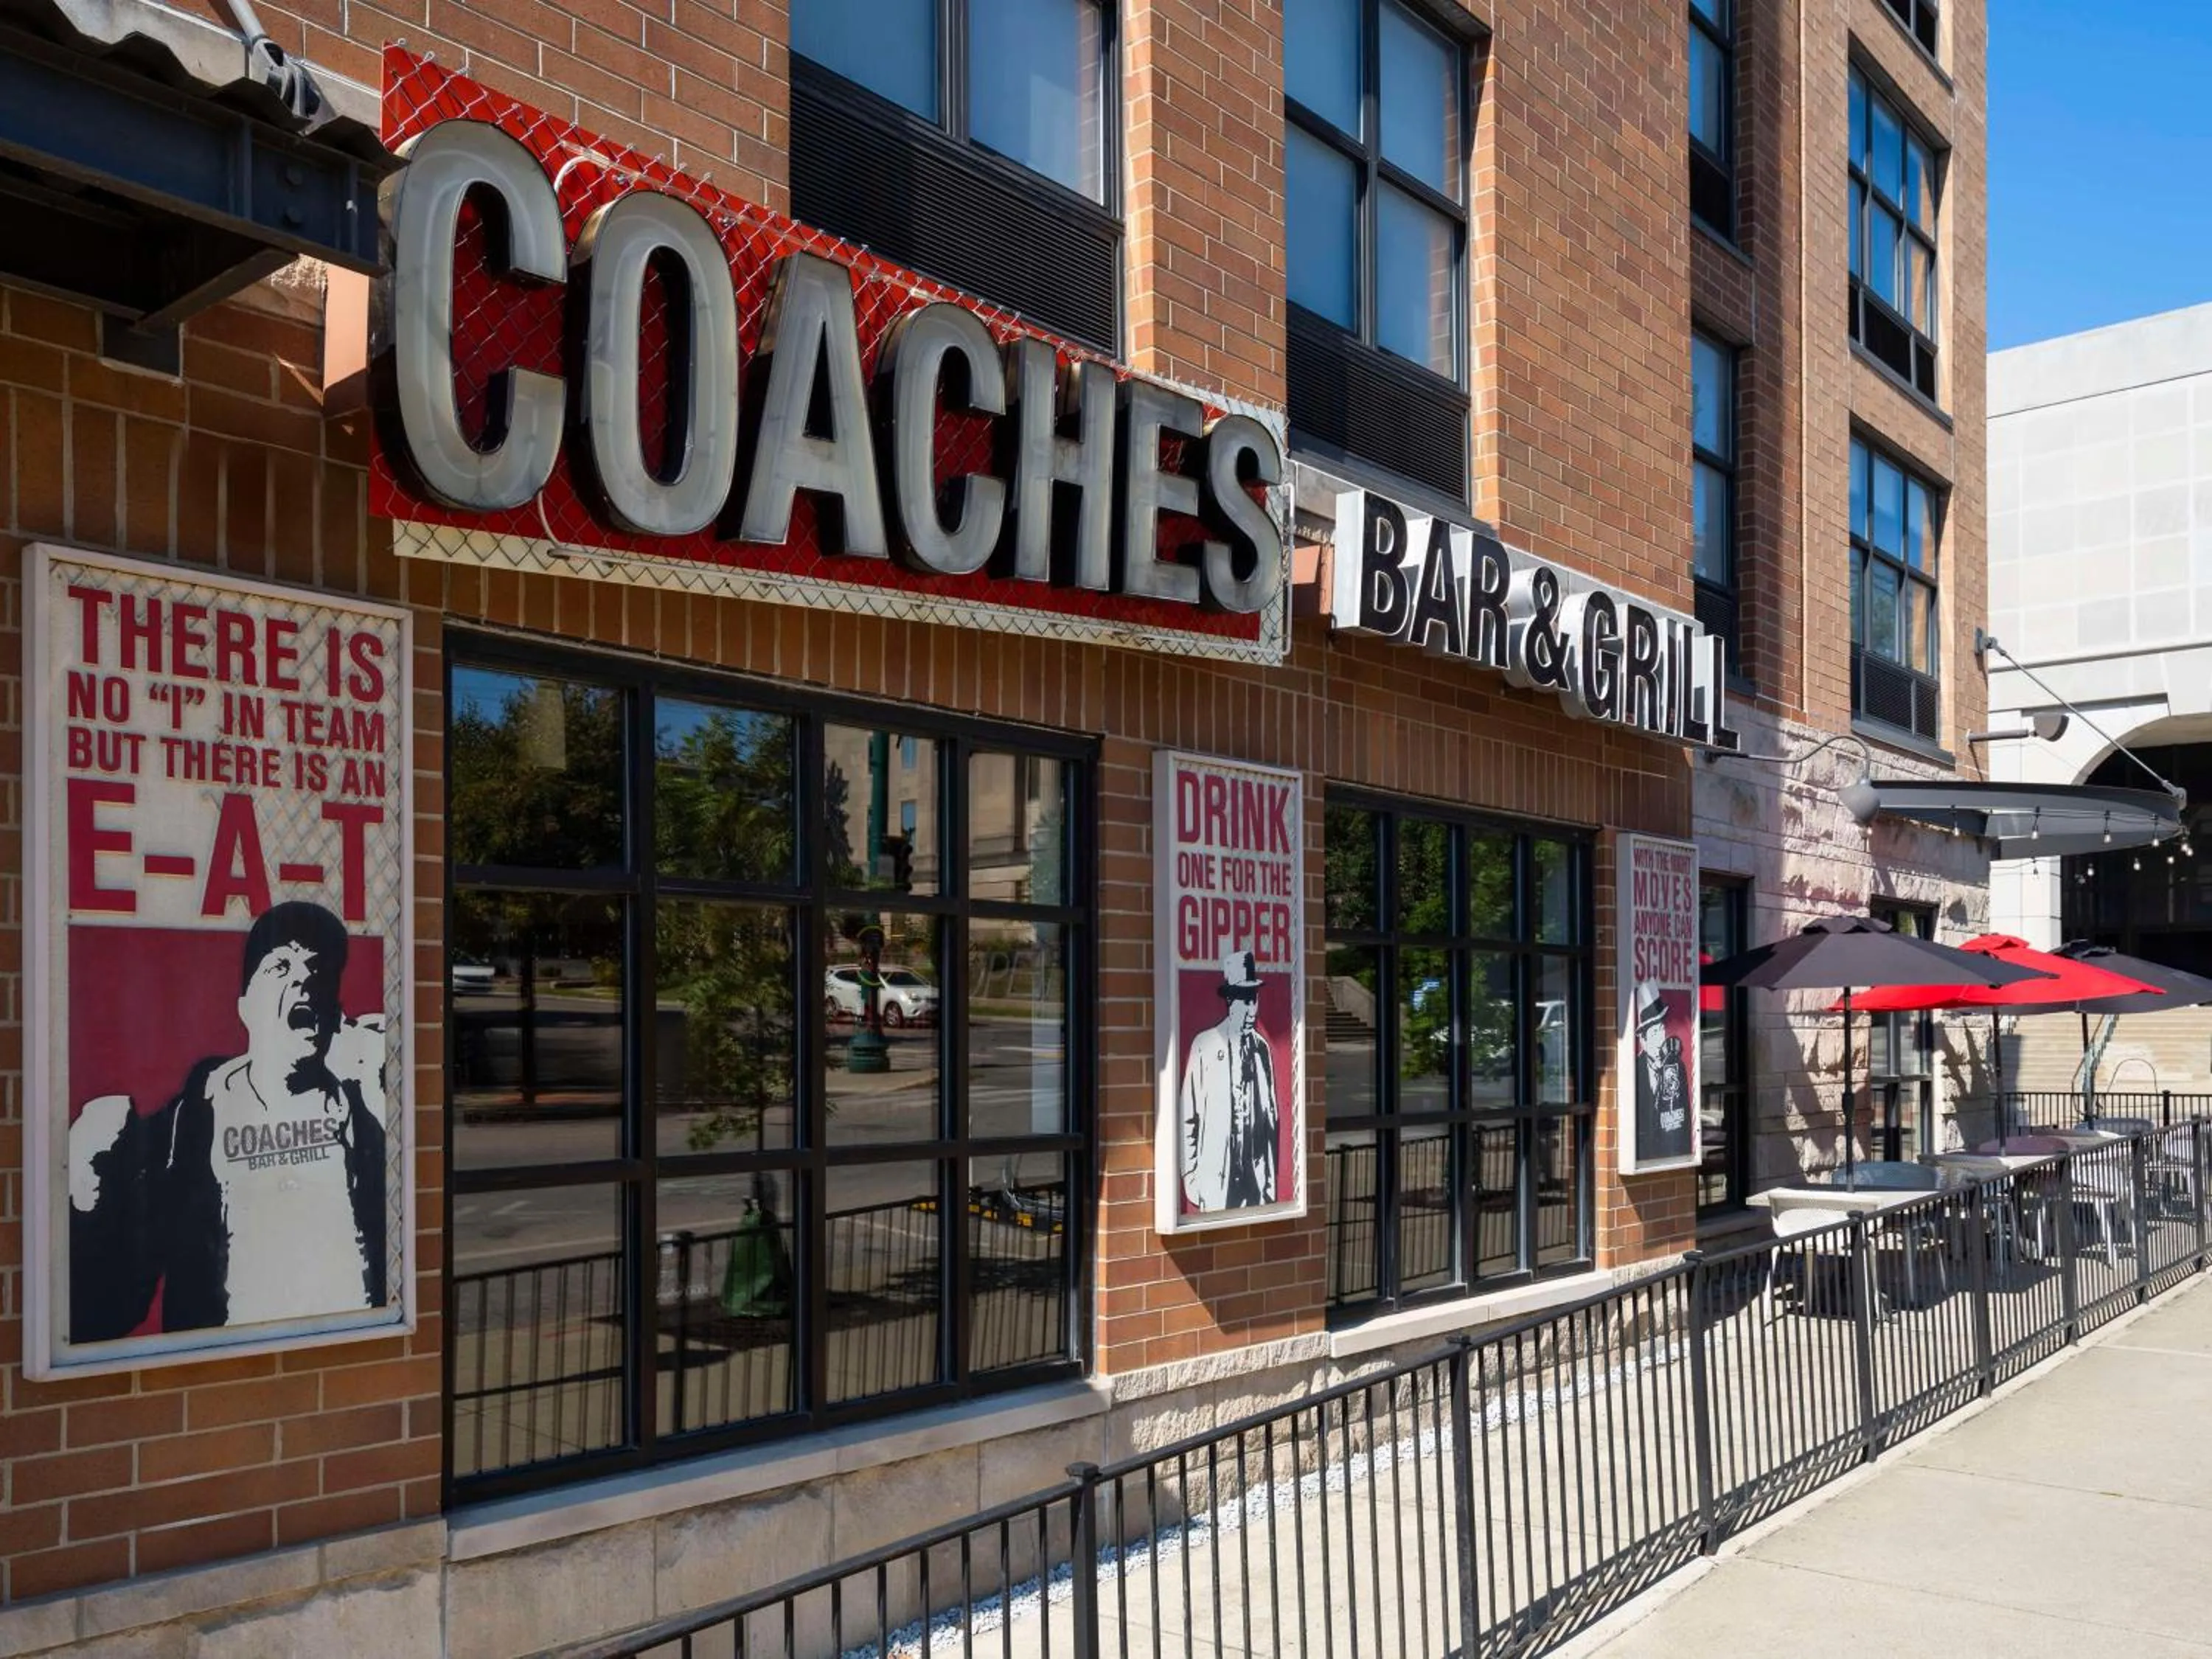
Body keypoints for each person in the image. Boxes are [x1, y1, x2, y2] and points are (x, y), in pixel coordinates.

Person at [68, 901, 392, 1341]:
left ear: (334, 1009)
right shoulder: (189, 1127)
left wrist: (383, 1092)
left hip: (349, 1355)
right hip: (233, 1373)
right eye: (280, 967)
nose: (304, 980)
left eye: (319, 971)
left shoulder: (367, 1114)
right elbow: (105, 1313)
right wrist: (89, 1210)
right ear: (245, 1006)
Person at [1180, 950, 1281, 1212]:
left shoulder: (1261, 1049)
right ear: (1229, 1001)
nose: (1250, 1011)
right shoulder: (1206, 1045)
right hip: (1217, 1180)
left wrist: (1269, 1182)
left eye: (1253, 1000)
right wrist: (1191, 1177)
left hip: (1255, 1181)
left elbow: (1272, 1119)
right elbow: (1188, 1115)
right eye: (1243, 1001)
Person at [1633, 980, 1688, 1152]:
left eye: (1661, 1030)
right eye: (1654, 1033)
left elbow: (1685, 1119)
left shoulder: (1675, 1065)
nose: (1660, 1039)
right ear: (1643, 1040)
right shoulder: (1634, 1071)